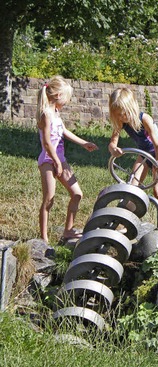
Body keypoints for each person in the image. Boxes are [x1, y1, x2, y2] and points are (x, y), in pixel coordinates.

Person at [36, 76, 98, 243]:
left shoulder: (56, 113)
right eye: (66, 98)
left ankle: (68, 230)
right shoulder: (46, 114)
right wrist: (56, 161)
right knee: (49, 198)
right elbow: (47, 143)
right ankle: (43, 238)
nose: (67, 102)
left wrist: (84, 143)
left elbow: (64, 132)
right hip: (48, 160)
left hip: (59, 159)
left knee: (77, 193)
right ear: (57, 95)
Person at [108, 88, 158, 230]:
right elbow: (112, 142)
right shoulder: (120, 122)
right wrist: (114, 149)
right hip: (143, 153)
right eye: (118, 114)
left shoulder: (145, 118)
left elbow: (157, 144)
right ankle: (126, 225)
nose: (122, 117)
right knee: (132, 188)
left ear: (132, 108)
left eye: (124, 113)